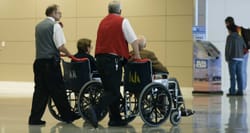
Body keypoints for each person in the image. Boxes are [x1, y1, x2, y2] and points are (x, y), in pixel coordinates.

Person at [86, 0, 145, 128]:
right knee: (113, 92)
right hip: (112, 60)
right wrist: (137, 56)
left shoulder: (102, 22)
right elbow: (134, 40)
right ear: (120, 11)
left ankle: (115, 119)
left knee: (111, 90)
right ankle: (95, 110)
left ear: (109, 10)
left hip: (100, 59)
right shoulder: (122, 21)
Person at [28, 4, 80, 125]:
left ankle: (34, 118)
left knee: (40, 92)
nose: (60, 14)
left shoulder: (38, 26)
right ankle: (68, 116)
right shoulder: (55, 26)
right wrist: (71, 55)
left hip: (39, 62)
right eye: (59, 12)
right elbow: (60, 46)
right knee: (58, 90)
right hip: (50, 64)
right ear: (53, 13)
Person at [225, 16, 249, 93]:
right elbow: (243, 44)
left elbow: (229, 47)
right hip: (242, 54)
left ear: (228, 23)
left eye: (226, 23)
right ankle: (241, 89)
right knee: (241, 72)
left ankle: (235, 90)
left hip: (238, 54)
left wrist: (227, 57)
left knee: (235, 74)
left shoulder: (231, 34)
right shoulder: (239, 29)